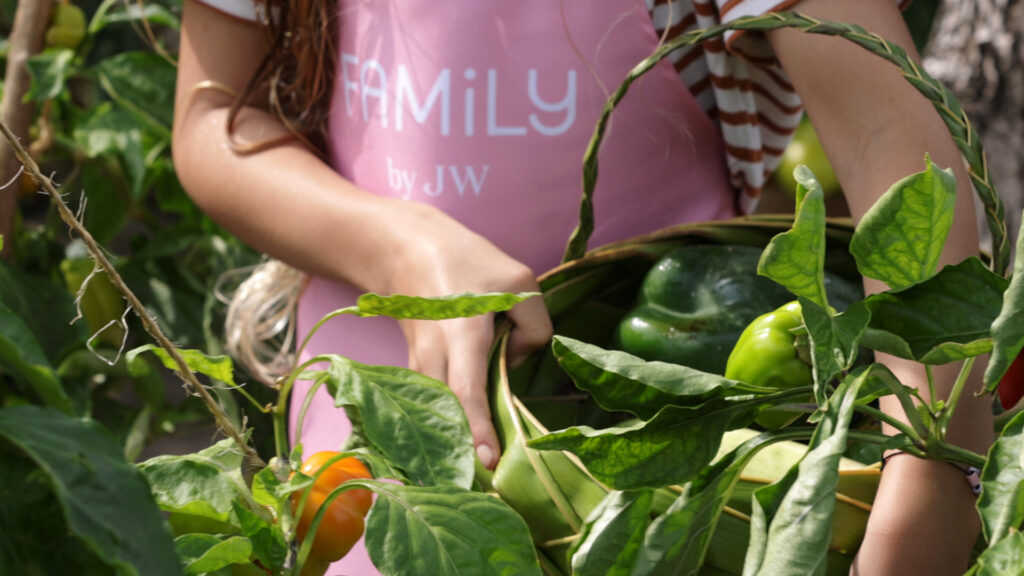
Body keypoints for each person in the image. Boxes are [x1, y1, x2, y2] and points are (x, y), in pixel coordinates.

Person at [171, 1, 992, 574]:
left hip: (659, 450)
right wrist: (407, 253)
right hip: (366, 429)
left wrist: (931, 448)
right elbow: (214, 121)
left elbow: (890, 133)